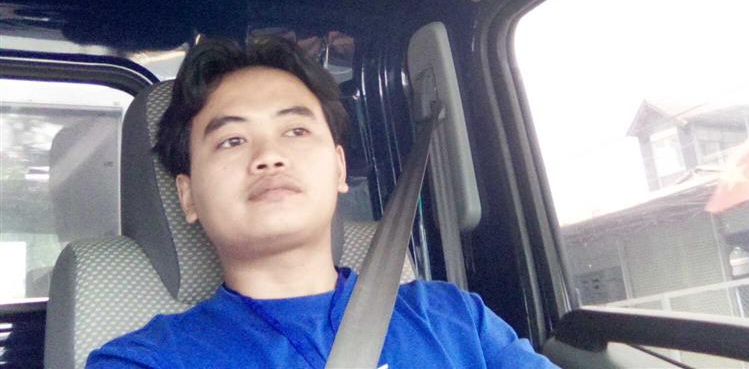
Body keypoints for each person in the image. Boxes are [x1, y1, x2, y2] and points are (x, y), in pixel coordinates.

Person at [87, 36, 559, 368]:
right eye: (232, 140)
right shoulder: (146, 361)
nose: (269, 156)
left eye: (295, 130)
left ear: (338, 169)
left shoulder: (455, 318)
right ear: (187, 195)